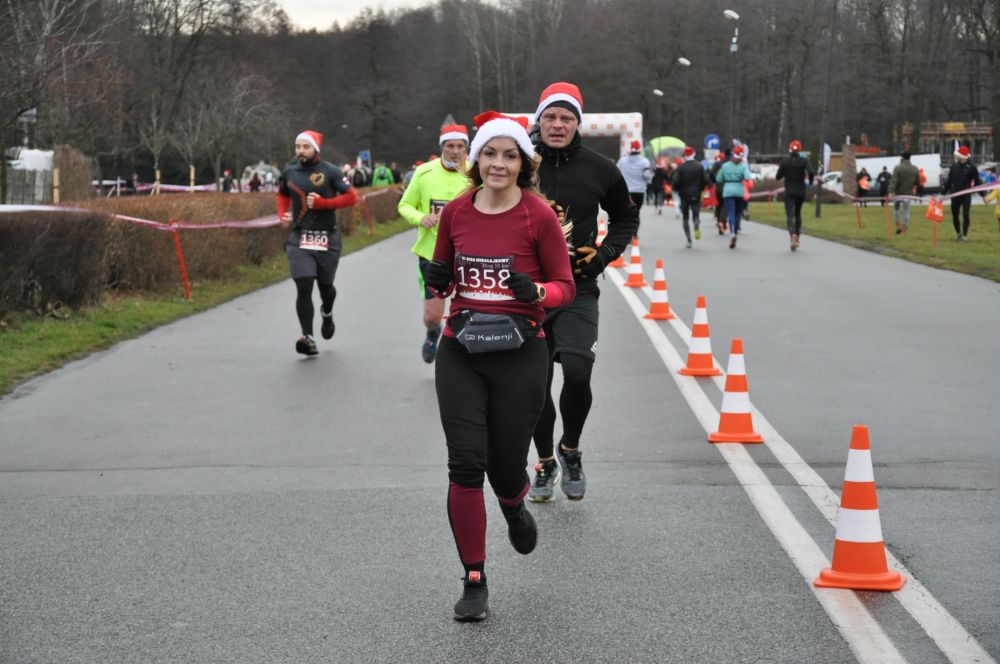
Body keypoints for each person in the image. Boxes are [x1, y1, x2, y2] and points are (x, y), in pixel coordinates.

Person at [422, 111, 576, 622]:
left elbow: (565, 287)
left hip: (520, 353)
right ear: (476, 160)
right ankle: (474, 578)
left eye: (510, 156)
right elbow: (443, 281)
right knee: (466, 463)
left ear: (523, 164)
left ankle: (513, 503)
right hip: (461, 351)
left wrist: (537, 292)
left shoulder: (538, 215)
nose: (499, 164)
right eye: (490, 153)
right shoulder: (456, 213)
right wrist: (437, 281)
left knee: (505, 464)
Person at [526, 82, 639, 503]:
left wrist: (603, 255)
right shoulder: (520, 163)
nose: (557, 124)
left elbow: (626, 218)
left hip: (578, 287)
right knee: (535, 385)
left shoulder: (600, 168)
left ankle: (569, 449)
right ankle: (544, 463)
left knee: (577, 372)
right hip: (529, 292)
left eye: (566, 118)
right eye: (550, 117)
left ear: (578, 124)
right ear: (539, 120)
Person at [276, 130, 358, 356]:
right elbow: (282, 195)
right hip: (300, 238)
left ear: (315, 149)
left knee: (325, 287)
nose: (301, 151)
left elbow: (351, 197)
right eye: (298, 147)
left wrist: (324, 204)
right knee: (303, 285)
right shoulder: (290, 172)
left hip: (327, 238)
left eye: (305, 147)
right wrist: (283, 216)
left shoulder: (330, 172)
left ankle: (327, 312)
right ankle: (308, 337)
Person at [397, 124, 471, 363]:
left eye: (460, 146)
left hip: (467, 255)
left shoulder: (476, 173)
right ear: (442, 147)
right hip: (432, 254)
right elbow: (405, 205)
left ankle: (461, 357)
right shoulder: (424, 172)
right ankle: (432, 332)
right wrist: (421, 217)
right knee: (431, 317)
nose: (455, 151)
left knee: (468, 312)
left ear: (466, 148)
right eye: (450, 146)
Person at [774, 139, 815, 251]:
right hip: (800, 191)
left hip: (789, 192)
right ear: (800, 150)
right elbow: (811, 172)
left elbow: (778, 177)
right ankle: (797, 238)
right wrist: (810, 182)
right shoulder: (804, 161)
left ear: (790, 149)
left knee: (789, 215)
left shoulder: (785, 162)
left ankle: (792, 234)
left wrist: (784, 172)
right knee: (797, 214)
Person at [671, 146, 710, 248]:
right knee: (696, 214)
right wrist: (701, 188)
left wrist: (677, 189)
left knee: (685, 218)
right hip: (696, 193)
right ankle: (696, 224)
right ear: (694, 154)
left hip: (684, 195)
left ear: (685, 155)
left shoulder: (681, 167)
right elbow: (705, 180)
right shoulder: (699, 166)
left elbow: (675, 181)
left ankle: (689, 240)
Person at [941, 145, 981, 241]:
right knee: (955, 215)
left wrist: (983, 195)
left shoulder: (972, 167)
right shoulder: (954, 166)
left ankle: (964, 236)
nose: (956, 157)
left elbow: (977, 182)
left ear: (962, 157)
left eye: (957, 156)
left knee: (966, 214)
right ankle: (959, 233)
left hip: (966, 194)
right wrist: (943, 193)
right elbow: (949, 181)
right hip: (955, 194)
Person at [716, 145, 752, 249]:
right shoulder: (743, 166)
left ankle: (732, 233)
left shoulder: (725, 166)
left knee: (730, 213)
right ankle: (735, 232)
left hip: (728, 190)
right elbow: (747, 177)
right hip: (739, 190)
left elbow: (719, 179)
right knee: (737, 214)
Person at [888, 151, 920, 234]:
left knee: (896, 209)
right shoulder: (915, 168)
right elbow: (917, 182)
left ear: (902, 158)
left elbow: (894, 181)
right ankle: (904, 229)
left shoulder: (898, 168)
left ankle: (898, 225)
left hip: (898, 193)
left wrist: (891, 191)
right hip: (908, 194)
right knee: (906, 211)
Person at [617, 140, 652, 212]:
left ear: (630, 148)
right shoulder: (645, 161)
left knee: (627, 211)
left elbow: (617, 173)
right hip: (639, 190)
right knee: (636, 211)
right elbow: (647, 175)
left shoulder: (622, 160)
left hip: (626, 190)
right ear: (640, 149)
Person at [709, 151, 727, 234]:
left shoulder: (716, 164)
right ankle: (722, 220)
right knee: (725, 204)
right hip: (726, 186)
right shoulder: (728, 164)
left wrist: (714, 180)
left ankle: (718, 221)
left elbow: (710, 172)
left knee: (719, 205)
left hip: (718, 186)